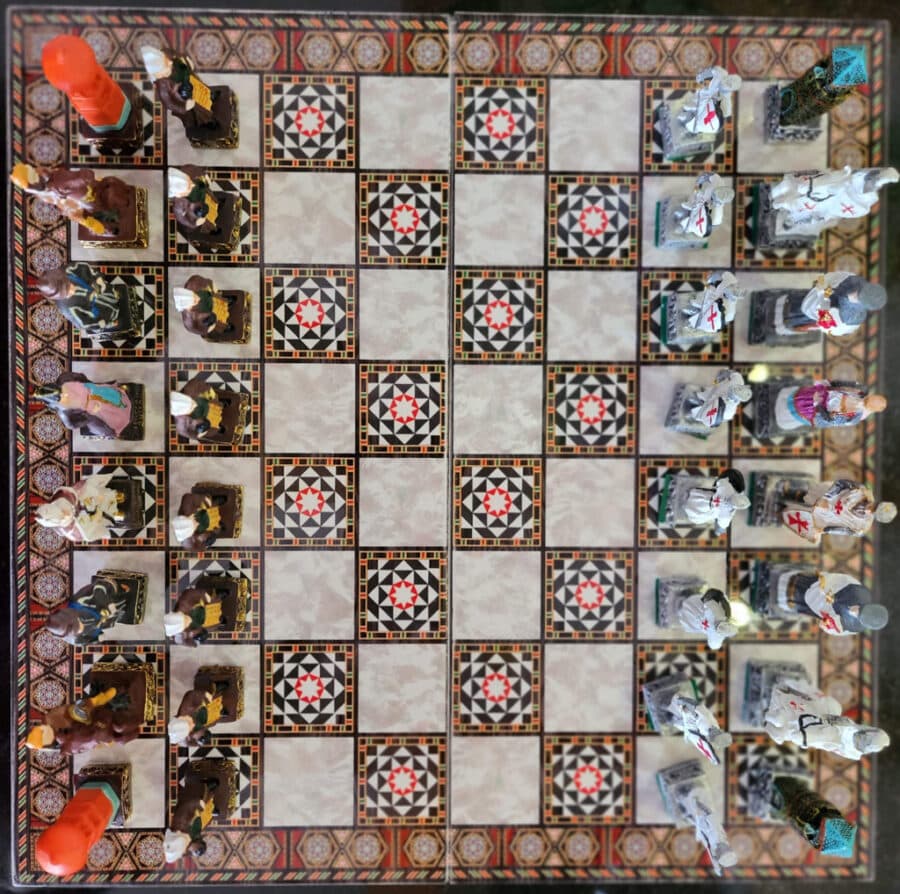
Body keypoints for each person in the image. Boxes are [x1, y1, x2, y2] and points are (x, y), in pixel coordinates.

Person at [764, 677, 890, 761]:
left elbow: (820, 736)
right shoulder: (850, 729)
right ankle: (789, 691)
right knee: (831, 706)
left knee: (793, 728)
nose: (863, 738)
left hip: (815, 728)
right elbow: (836, 721)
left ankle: (777, 721)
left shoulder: (842, 742)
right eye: (867, 736)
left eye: (867, 741)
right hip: (816, 716)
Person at [36, 263, 138, 339]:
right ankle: (111, 320)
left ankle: (114, 296)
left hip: (99, 290)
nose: (73, 290)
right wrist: (104, 324)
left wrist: (97, 278)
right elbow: (84, 323)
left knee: (109, 293)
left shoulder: (68, 270)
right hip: (98, 310)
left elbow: (84, 268)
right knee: (108, 314)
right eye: (67, 293)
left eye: (69, 285)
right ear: (58, 297)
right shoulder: (67, 309)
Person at [781, 478, 897, 543]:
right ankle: (792, 493)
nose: (869, 510)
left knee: (809, 517)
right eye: (873, 507)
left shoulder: (860, 528)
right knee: (807, 495)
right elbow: (840, 483)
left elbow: (841, 530)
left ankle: (785, 509)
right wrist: (827, 497)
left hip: (829, 518)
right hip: (829, 496)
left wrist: (824, 530)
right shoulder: (860, 490)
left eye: (872, 513)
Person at [774, 568, 888, 635]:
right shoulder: (858, 591)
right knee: (797, 585)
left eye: (857, 616)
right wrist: (827, 591)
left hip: (820, 609)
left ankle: (777, 598)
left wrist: (828, 625)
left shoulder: (854, 627)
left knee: (794, 600)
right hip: (818, 588)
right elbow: (841, 580)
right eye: (860, 609)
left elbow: (837, 630)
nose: (854, 612)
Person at [773, 272, 886, 338]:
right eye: (860, 290)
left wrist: (825, 296)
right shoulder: (852, 280)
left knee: (784, 316)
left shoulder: (850, 318)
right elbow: (826, 278)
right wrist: (822, 286)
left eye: (858, 297)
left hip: (810, 313)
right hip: (810, 296)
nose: (854, 293)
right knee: (787, 300)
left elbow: (825, 321)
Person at [35, 372, 140, 440]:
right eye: (59, 397)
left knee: (107, 396)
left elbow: (81, 378)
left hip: (95, 393)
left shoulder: (64, 379)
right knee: (104, 420)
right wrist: (88, 417)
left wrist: (88, 387)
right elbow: (75, 424)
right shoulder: (64, 413)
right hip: (95, 411)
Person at [35, 473, 125, 543]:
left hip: (82, 499)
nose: (64, 513)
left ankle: (113, 496)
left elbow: (73, 492)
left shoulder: (61, 497)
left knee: (90, 487)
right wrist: (93, 519)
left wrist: (84, 502)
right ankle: (115, 516)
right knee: (89, 532)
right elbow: (80, 531)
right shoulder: (66, 529)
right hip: (83, 520)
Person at [773, 379, 886, 431]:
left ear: (871, 409)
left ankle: (781, 412)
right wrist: (831, 385)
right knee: (797, 396)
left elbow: (830, 419)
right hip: (824, 394)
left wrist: (817, 404)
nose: (865, 399)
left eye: (868, 402)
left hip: (817, 411)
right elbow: (841, 383)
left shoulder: (855, 416)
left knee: (797, 408)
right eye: (869, 398)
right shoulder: (861, 390)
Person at [681, 469, 750, 534]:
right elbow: (722, 526)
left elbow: (720, 481)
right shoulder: (727, 514)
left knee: (695, 497)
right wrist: (720, 530)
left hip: (696, 498)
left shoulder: (727, 489)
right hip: (696, 513)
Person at [680, 66, 742, 135]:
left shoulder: (726, 106)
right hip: (703, 113)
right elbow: (702, 76)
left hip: (705, 117)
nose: (727, 82)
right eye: (730, 79)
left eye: (729, 85)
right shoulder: (719, 74)